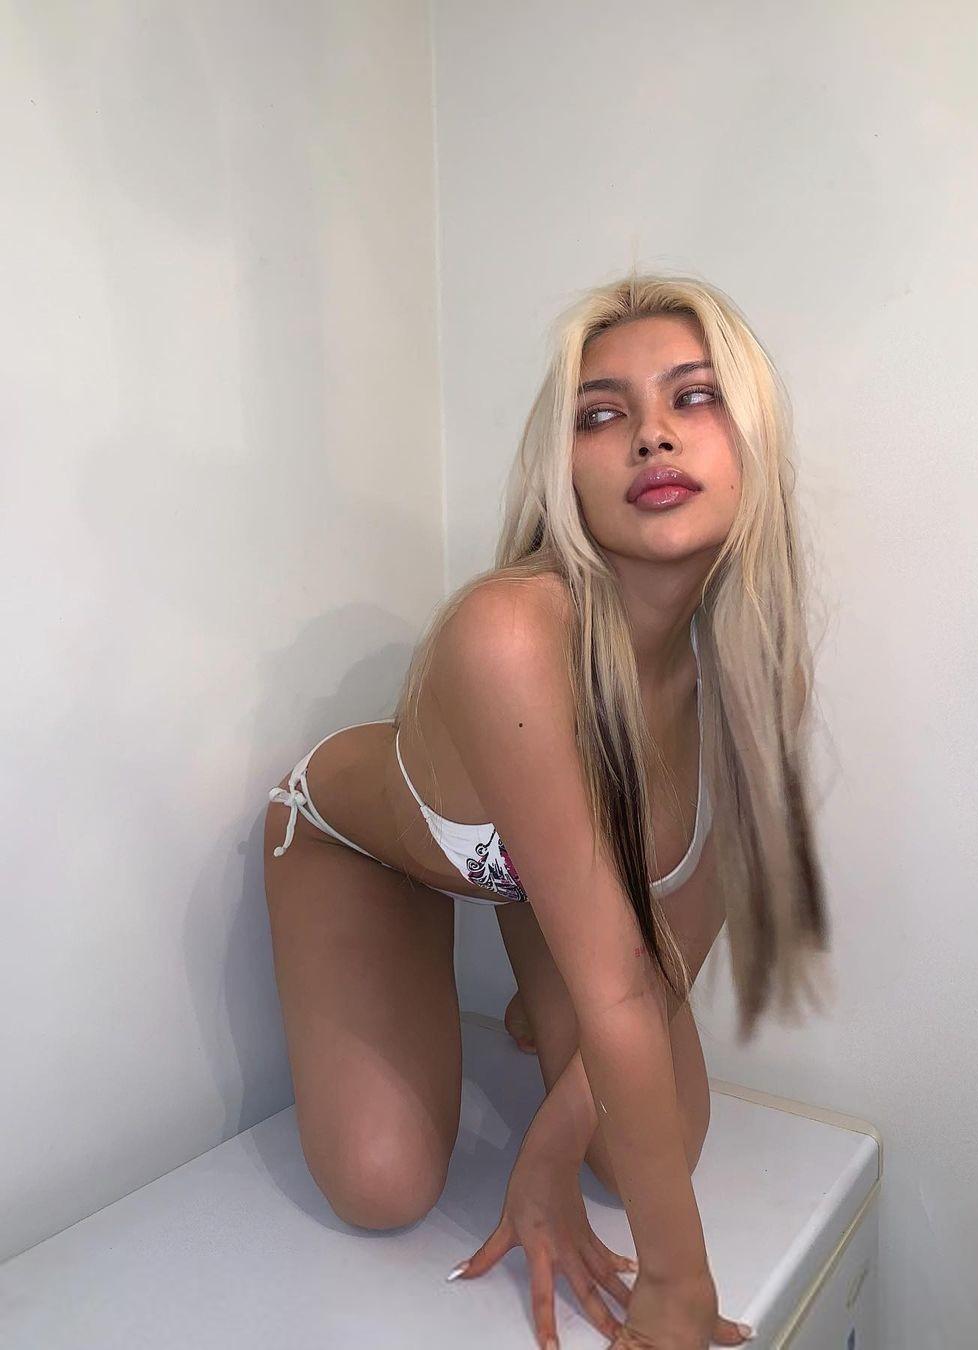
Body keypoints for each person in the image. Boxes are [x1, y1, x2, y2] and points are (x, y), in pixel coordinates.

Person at [263, 268, 830, 1350]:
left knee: (657, 1143)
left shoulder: (754, 678)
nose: (652, 435)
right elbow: (618, 986)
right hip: (360, 850)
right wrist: (677, 1288)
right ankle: (438, 965)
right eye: (602, 414)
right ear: (562, 471)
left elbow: (663, 963)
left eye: (695, 397)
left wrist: (548, 1150)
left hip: (544, 880)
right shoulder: (510, 635)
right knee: (383, 1188)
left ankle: (536, 987)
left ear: (753, 440)